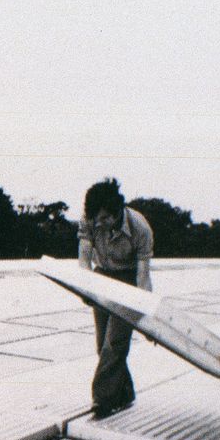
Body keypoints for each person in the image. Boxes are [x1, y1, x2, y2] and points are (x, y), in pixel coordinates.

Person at [78, 178, 154, 419]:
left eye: (104, 219)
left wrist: (145, 312)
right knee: (103, 345)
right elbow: (83, 260)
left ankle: (102, 399)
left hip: (128, 280)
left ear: (117, 210)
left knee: (115, 343)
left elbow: (143, 276)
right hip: (102, 277)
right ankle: (125, 391)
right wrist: (85, 288)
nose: (99, 224)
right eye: (95, 219)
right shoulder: (90, 219)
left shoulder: (140, 229)